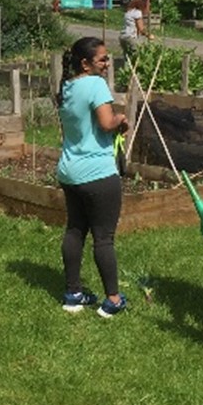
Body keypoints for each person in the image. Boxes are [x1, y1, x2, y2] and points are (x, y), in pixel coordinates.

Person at [55, 36, 129, 317]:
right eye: (102, 59)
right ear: (85, 64)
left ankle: (73, 293)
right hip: (97, 173)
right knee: (104, 238)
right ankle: (113, 300)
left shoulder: (66, 86)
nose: (107, 63)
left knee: (75, 230)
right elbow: (106, 123)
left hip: (69, 171)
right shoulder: (96, 84)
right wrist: (121, 120)